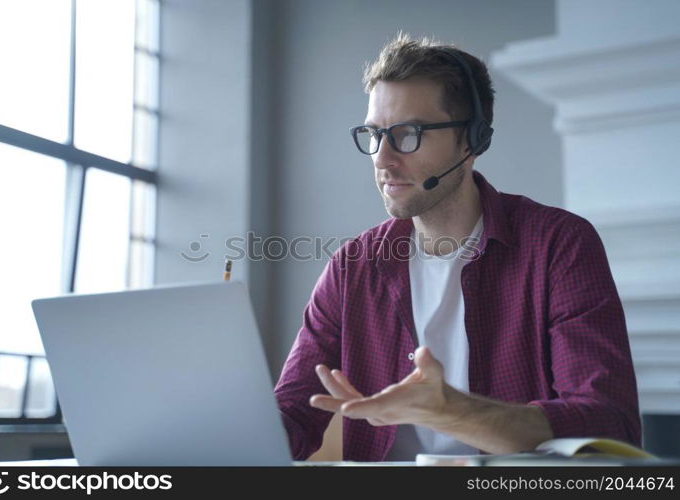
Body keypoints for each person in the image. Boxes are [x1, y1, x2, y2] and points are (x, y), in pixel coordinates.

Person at [273, 32, 641, 462]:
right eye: (374, 134)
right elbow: (293, 417)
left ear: (472, 140)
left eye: (407, 134)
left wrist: (453, 412)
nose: (383, 158)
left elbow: (607, 424)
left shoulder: (559, 245)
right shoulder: (353, 268)